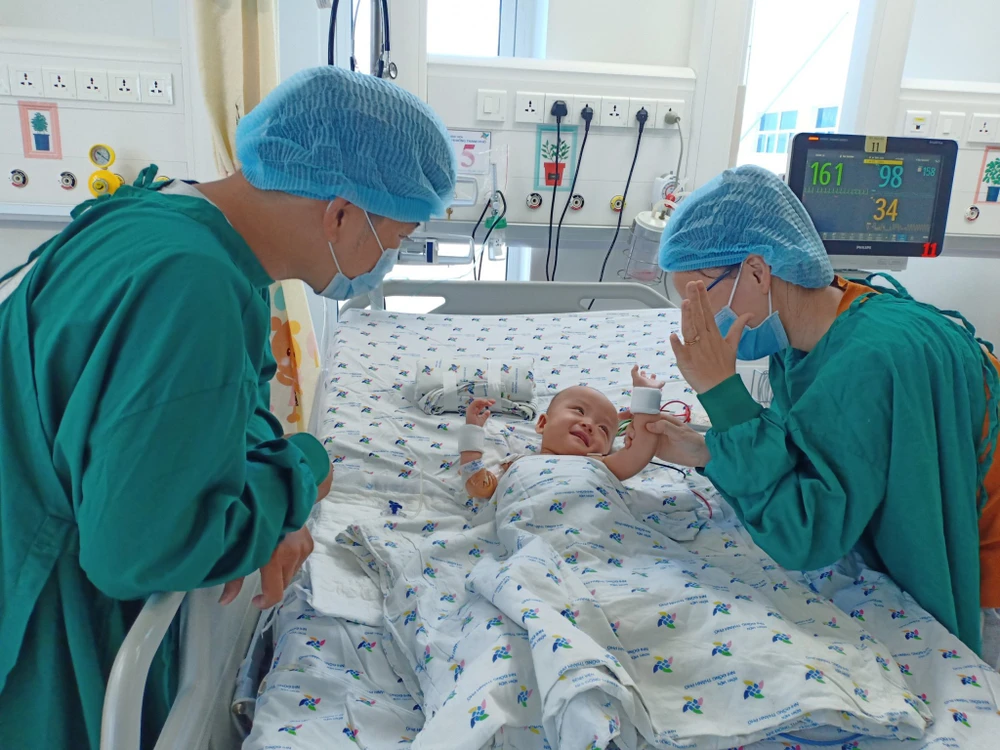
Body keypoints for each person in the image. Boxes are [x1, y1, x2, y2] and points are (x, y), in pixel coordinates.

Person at [0, 66, 456, 749]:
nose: (389, 259)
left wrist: (268, 497)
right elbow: (141, 552)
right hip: (38, 611)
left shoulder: (161, 217)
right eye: (397, 238)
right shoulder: (194, 286)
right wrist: (300, 474)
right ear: (340, 214)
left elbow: (204, 404)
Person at [639, 164, 1000, 666]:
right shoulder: (818, 325)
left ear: (758, 271)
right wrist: (708, 451)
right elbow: (810, 451)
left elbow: (805, 535)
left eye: (698, 299)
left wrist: (721, 392)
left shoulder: (869, 358)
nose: (694, 322)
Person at [462, 366, 664, 498]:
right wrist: (472, 432)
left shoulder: (600, 464)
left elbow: (638, 453)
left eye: (603, 429)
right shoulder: (516, 464)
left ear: (606, 450)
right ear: (543, 423)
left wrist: (646, 399)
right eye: (579, 411)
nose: (589, 425)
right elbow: (477, 488)